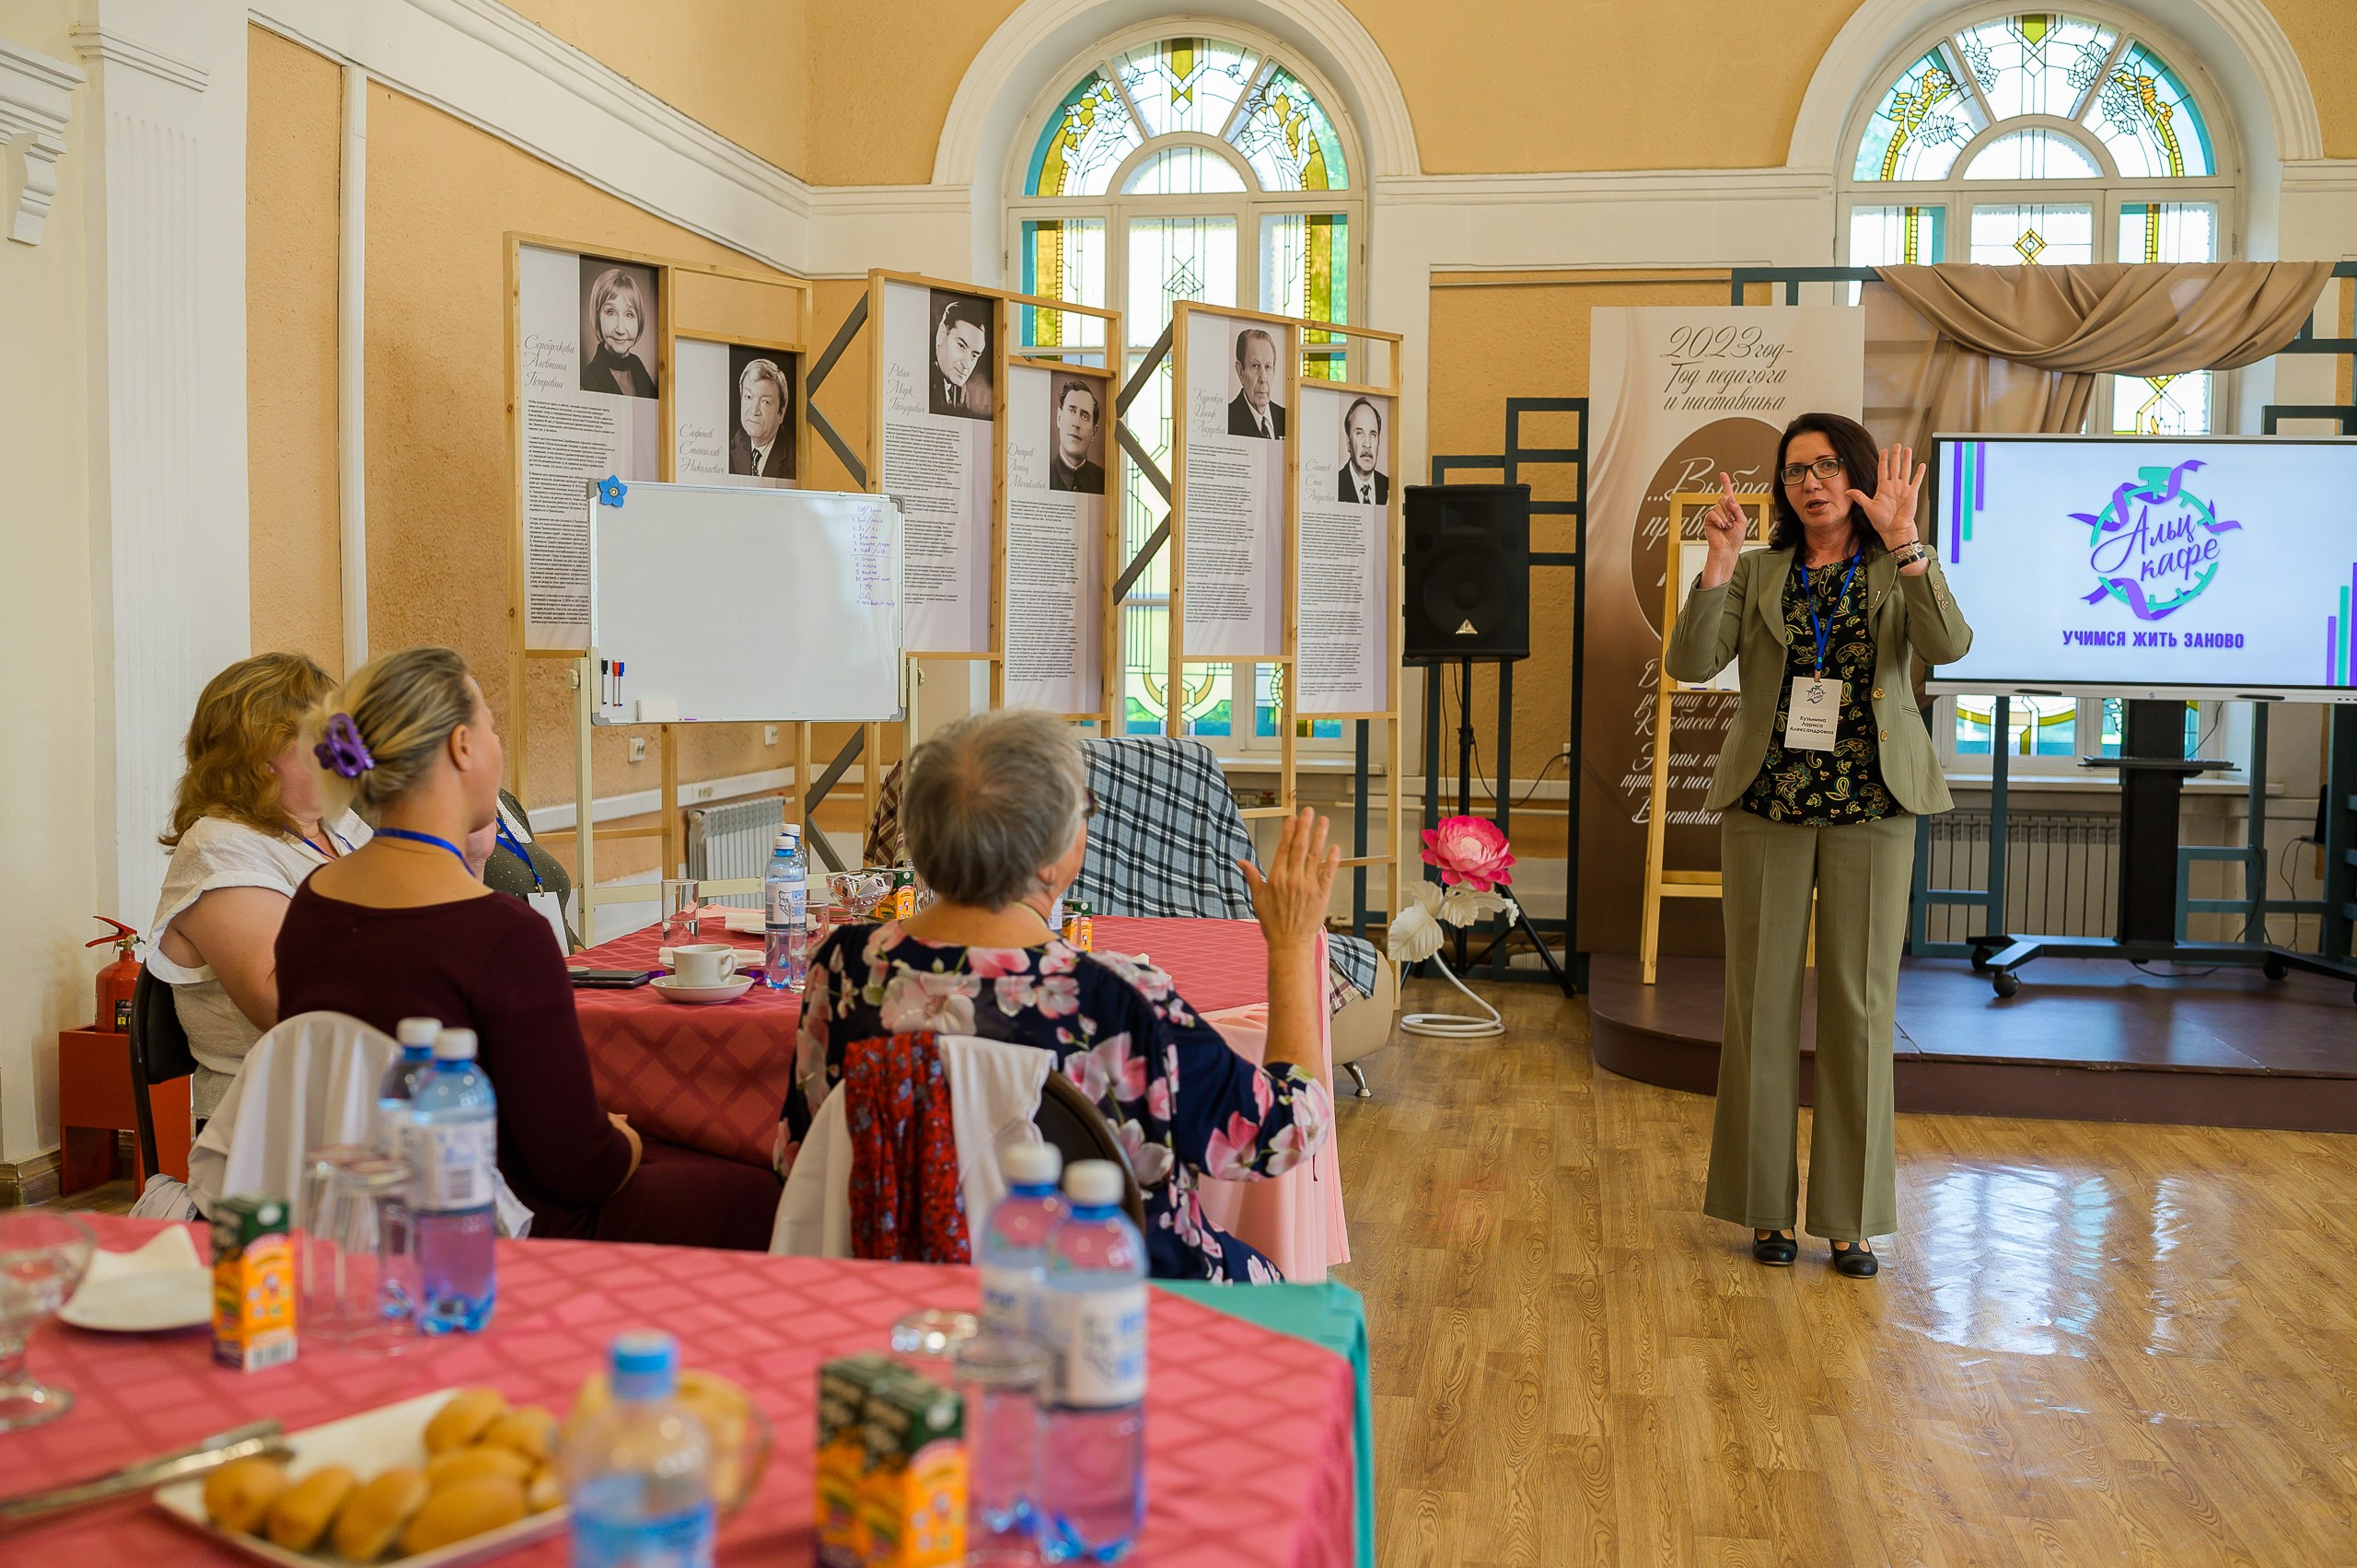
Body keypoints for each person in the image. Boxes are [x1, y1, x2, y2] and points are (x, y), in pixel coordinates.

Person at [776, 709, 1337, 1282]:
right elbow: (1288, 1131)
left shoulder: (841, 968)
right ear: (1050, 860)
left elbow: (800, 1155)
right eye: (1083, 813)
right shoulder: (1120, 999)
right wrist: (1292, 945)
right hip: (1118, 1293)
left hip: (896, 1282)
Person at [274, 645, 779, 1249]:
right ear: (462, 745)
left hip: (353, 1208)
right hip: (495, 1224)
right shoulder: (502, 933)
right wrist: (627, 1138)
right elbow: (580, 1167)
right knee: (766, 1191)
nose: (497, 744)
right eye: (491, 726)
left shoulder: (310, 905)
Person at [1666, 412, 1972, 1279]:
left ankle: (1851, 1218)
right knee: (1758, 1006)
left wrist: (1908, 545)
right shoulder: (1758, 570)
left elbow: (1949, 644)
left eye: (1830, 465)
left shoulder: (1895, 565)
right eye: (1797, 469)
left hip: (1873, 805)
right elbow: (1690, 661)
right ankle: (1764, 1206)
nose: (1812, 482)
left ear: (1859, 477)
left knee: (1860, 1011)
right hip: (1767, 803)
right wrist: (1717, 562)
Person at [149, 653, 373, 1122]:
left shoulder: (337, 825)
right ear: (261, 755)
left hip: (356, 1095)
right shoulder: (219, 845)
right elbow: (284, 1004)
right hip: (269, 1119)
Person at [580, 268, 657, 398]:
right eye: (611, 312)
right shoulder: (585, 380)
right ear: (597, 317)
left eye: (629, 314)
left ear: (639, 320)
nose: (620, 330)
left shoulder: (636, 365)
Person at [927, 295, 993, 418]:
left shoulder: (962, 391)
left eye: (974, 355)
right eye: (961, 346)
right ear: (942, 334)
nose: (966, 364)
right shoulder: (924, 380)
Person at [727, 357, 794, 480]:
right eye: (748, 397)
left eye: (765, 402)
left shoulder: (794, 458)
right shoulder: (733, 444)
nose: (754, 410)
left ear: (781, 412)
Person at [1226, 327, 1286, 439]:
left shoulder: (1286, 418)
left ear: (1274, 371)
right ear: (1240, 371)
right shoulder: (1227, 419)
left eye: (1268, 367)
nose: (1263, 378)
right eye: (1255, 366)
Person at [1047, 377, 1105, 494]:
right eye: (1072, 411)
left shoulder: (1104, 480)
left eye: (1084, 416)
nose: (1076, 424)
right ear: (1059, 418)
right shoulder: (1043, 473)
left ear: (1094, 432)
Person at [1338, 396, 1388, 504]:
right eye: (1360, 433)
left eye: (1373, 434)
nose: (1367, 444)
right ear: (1348, 441)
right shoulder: (1336, 485)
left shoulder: (1389, 487)